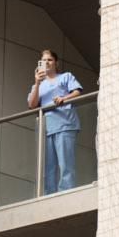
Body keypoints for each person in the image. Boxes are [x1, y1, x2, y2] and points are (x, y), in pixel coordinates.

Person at [28, 50, 83, 194]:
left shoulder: (65, 77)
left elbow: (77, 91)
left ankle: (66, 191)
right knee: (48, 166)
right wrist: (37, 82)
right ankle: (49, 194)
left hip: (65, 124)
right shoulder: (38, 85)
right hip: (47, 128)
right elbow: (32, 104)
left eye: (50, 60)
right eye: (44, 60)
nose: (47, 63)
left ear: (56, 63)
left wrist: (64, 98)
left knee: (66, 162)